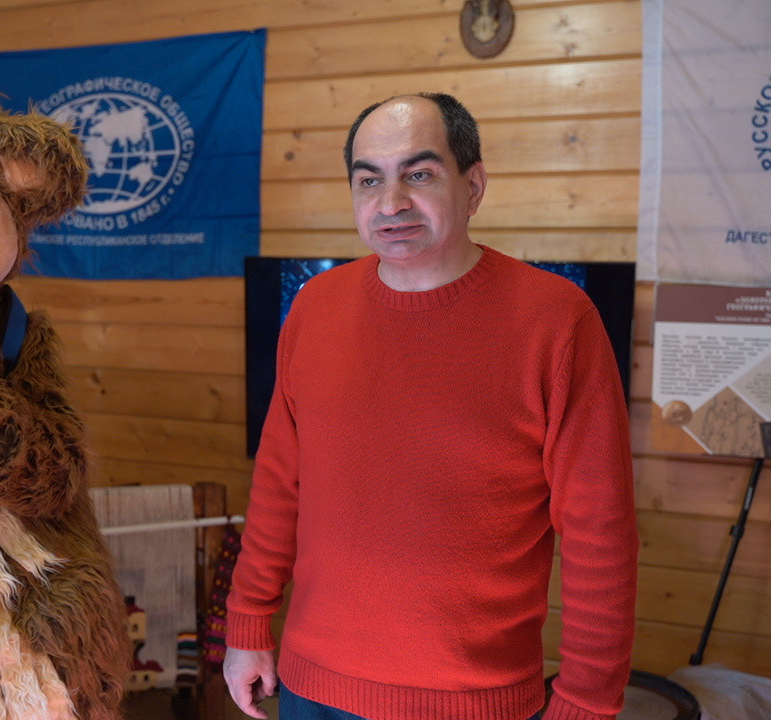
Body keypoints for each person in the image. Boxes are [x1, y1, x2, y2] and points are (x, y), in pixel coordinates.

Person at [223, 93, 638, 720]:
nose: (390, 203)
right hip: (312, 690)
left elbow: (600, 530)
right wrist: (248, 623)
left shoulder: (557, 321)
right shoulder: (313, 307)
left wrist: (587, 699)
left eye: (418, 174)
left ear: (473, 186)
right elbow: (280, 483)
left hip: (475, 701)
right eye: (369, 180)